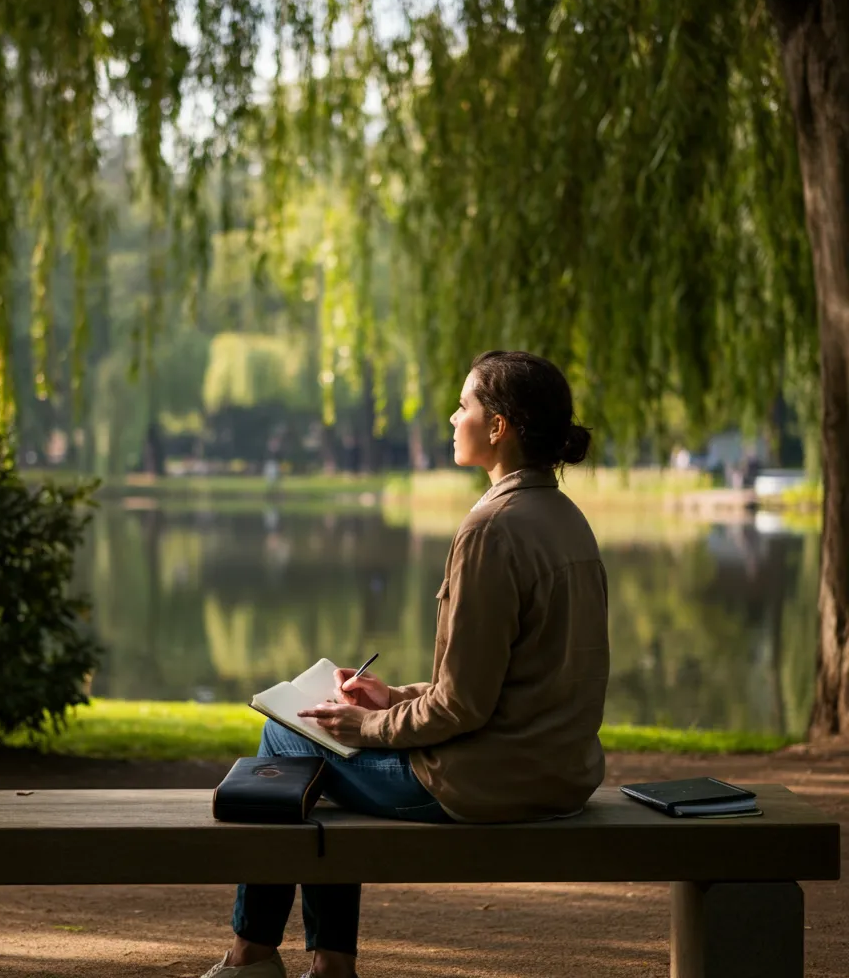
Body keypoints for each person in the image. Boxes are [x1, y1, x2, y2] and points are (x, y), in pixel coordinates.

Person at [200, 350, 610, 978]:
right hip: (561, 772)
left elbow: (463, 707)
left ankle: (253, 955)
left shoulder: (489, 530)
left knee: (289, 734)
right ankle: (325, 963)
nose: (452, 416)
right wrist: (392, 699)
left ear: (498, 426)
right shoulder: (567, 520)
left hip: (489, 784)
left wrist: (362, 728)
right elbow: (508, 680)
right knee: (318, 746)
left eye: (465, 404)